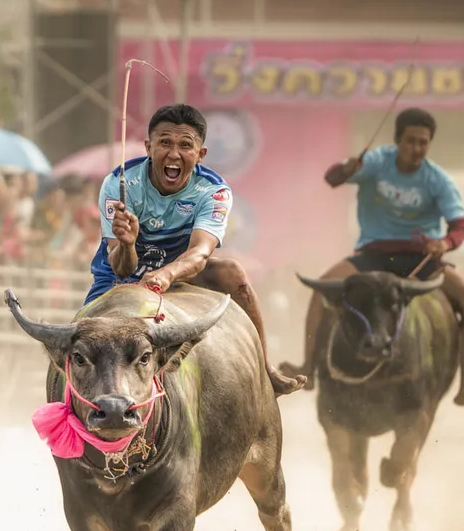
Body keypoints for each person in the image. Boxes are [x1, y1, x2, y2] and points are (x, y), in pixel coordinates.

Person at [89, 103, 303, 396]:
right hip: (120, 276)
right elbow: (121, 266)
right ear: (148, 147)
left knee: (232, 273)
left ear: (200, 154)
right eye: (164, 142)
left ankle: (266, 369)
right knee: (80, 341)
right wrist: (127, 243)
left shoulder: (213, 191)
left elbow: (200, 253)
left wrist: (166, 275)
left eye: (185, 145)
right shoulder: (119, 183)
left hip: (176, 274)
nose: (174, 154)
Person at [278, 107, 464, 406]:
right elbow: (333, 178)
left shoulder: (438, 180)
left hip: (421, 258)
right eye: (410, 141)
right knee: (322, 287)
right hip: (373, 254)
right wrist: (347, 168)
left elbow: (459, 226)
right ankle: (309, 365)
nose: (416, 148)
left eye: (423, 142)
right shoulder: (375, 162)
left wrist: (445, 244)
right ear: (397, 140)